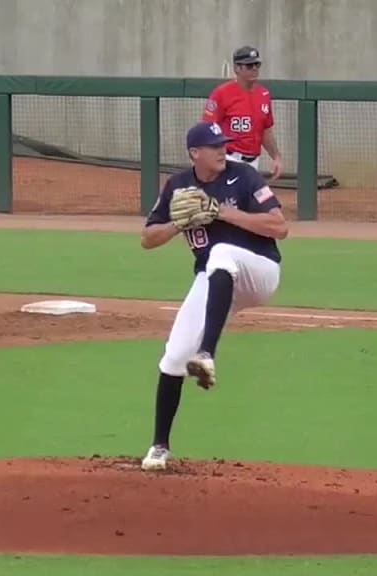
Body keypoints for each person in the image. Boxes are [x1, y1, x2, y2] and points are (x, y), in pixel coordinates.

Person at [139, 120, 289, 471]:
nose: (223, 149)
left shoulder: (243, 177)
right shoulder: (178, 186)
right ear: (195, 153)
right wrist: (180, 223)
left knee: (221, 252)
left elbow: (280, 226)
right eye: (214, 145)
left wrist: (222, 212)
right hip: (216, 279)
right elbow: (147, 239)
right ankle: (159, 447)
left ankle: (207, 353)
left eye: (224, 143)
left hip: (259, 272)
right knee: (174, 356)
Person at [202, 45, 283, 181]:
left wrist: (276, 157)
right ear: (237, 68)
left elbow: (265, 130)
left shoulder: (263, 94)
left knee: (250, 201)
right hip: (228, 159)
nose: (255, 69)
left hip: (253, 163)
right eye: (249, 65)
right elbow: (207, 129)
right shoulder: (221, 93)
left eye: (257, 64)